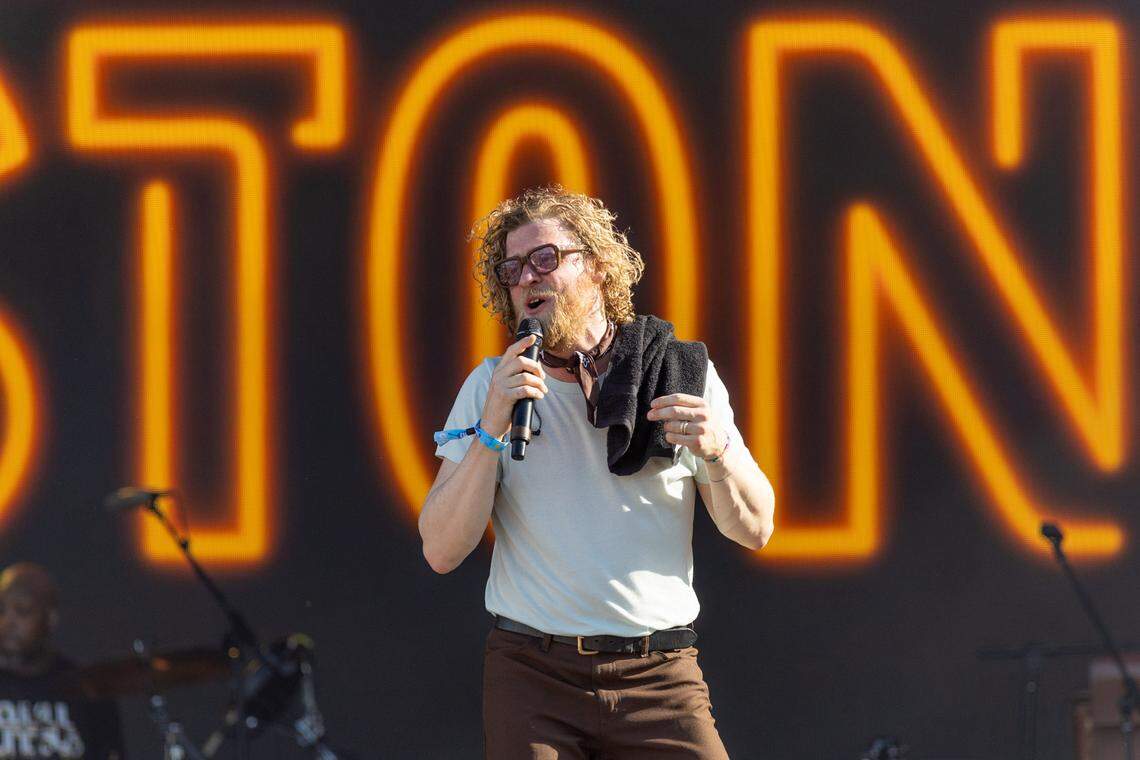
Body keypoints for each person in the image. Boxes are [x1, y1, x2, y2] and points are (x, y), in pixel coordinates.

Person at [420, 186, 776, 758]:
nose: (528, 279)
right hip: (533, 675)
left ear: (599, 268)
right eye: (511, 270)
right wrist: (490, 430)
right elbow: (440, 550)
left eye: (545, 259)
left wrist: (718, 451)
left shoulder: (677, 372)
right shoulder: (492, 386)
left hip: (659, 674)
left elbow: (756, 529)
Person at [0, 563, 126, 759]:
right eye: (1, 611)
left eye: (22, 611)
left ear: (50, 618)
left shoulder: (87, 689)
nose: (7, 623)